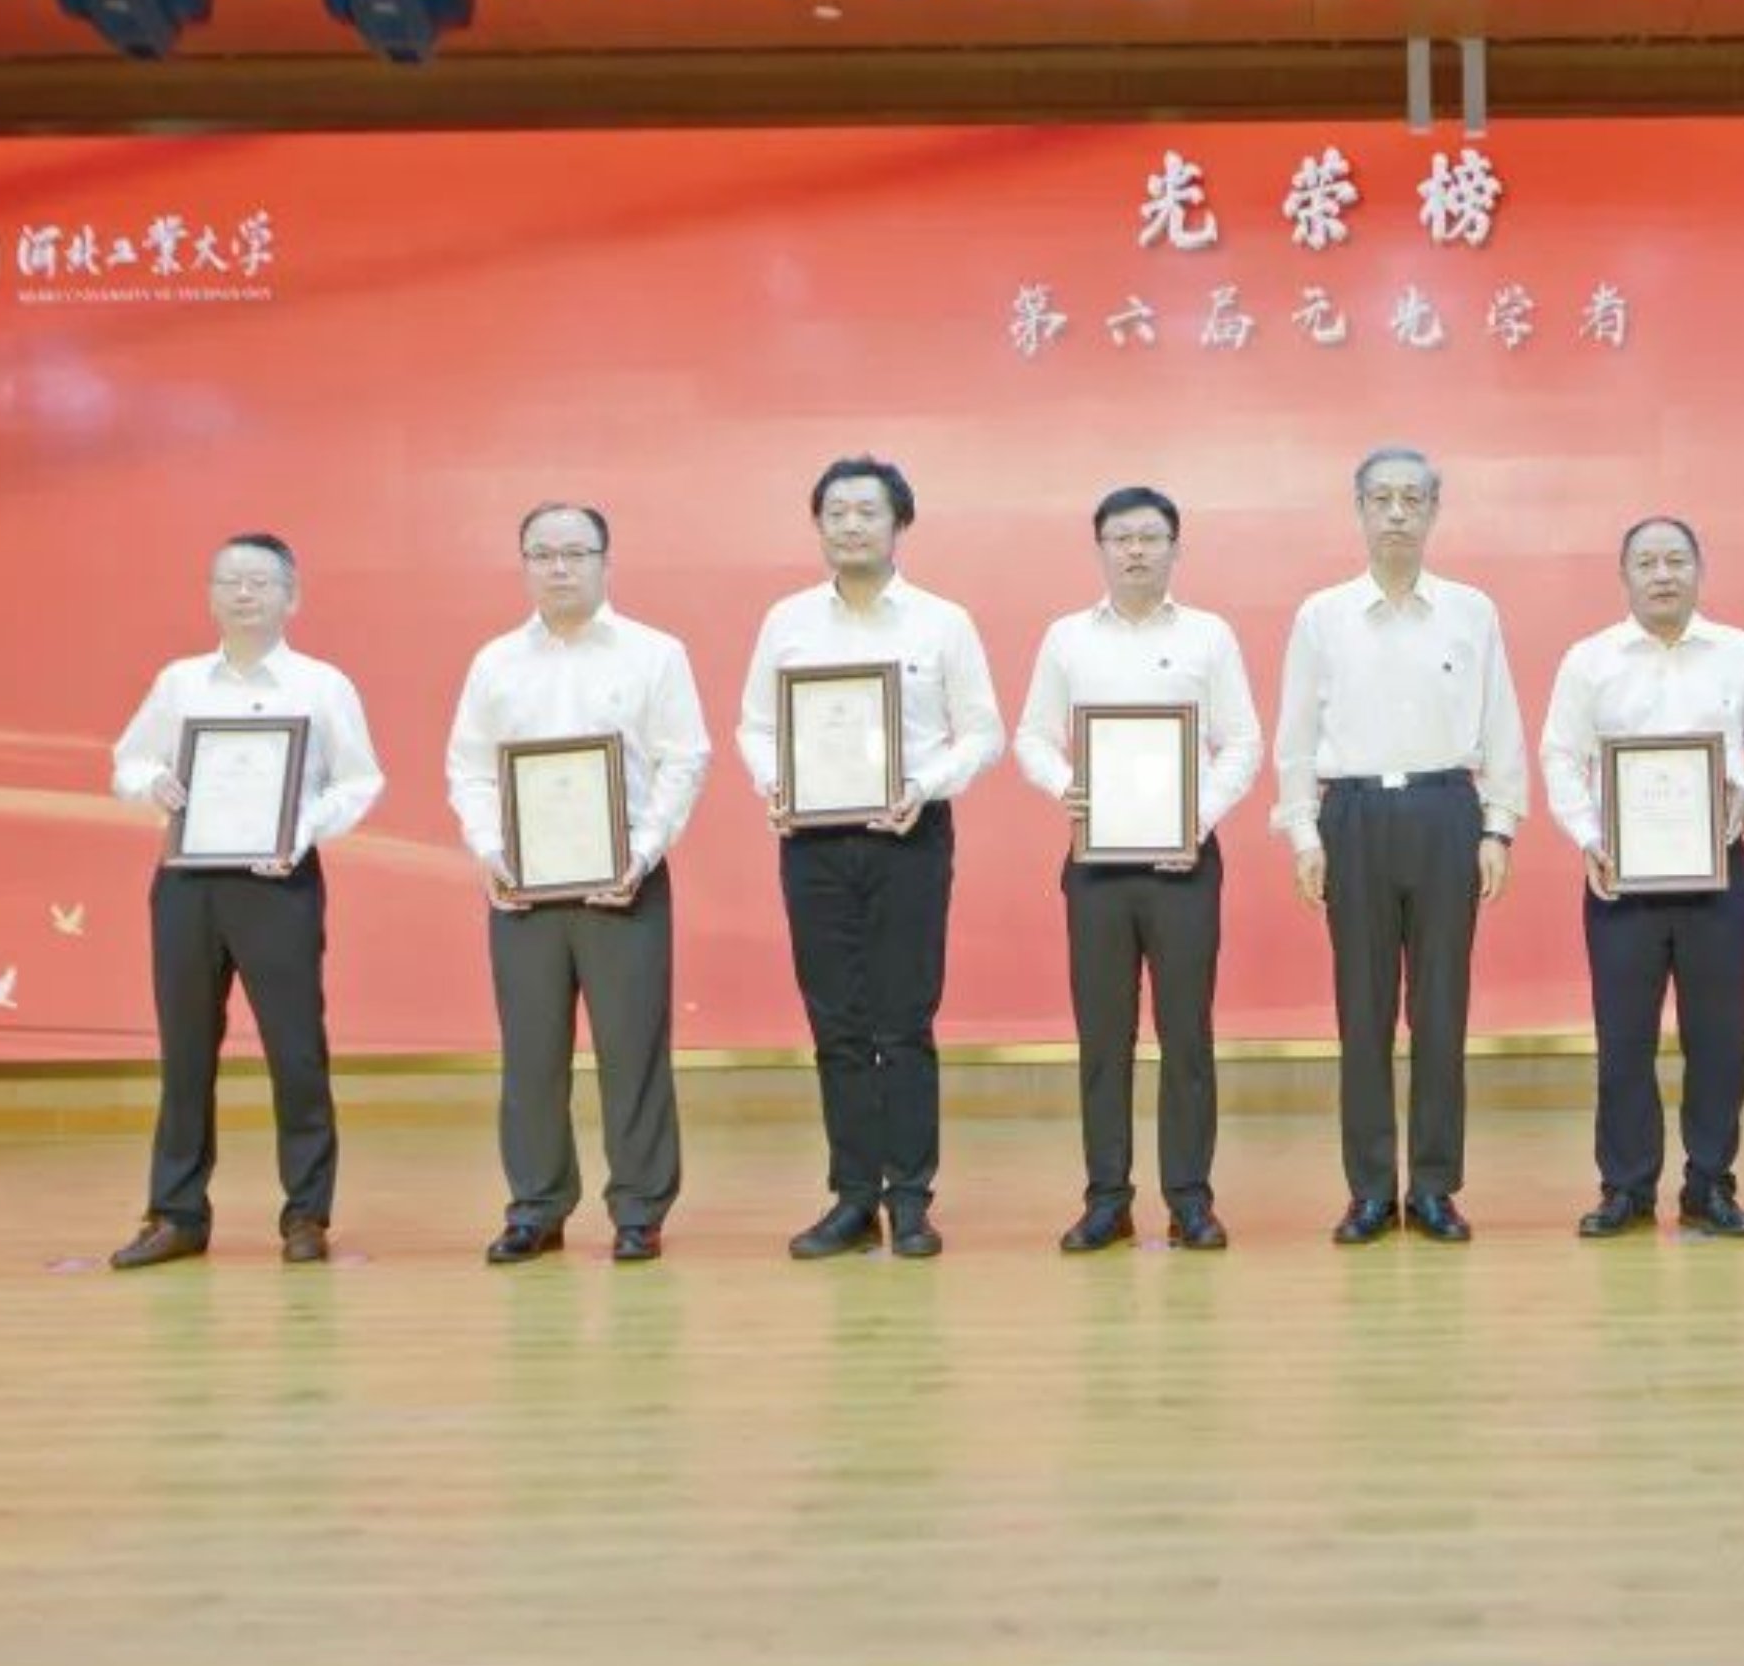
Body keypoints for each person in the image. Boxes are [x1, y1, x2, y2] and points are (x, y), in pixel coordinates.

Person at [739, 456, 1005, 1262]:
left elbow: (983, 731)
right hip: (813, 843)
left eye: (868, 511)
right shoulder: (787, 621)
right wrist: (777, 784)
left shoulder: (941, 621)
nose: (851, 525)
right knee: (837, 1024)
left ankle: (911, 1199)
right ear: (818, 525)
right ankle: (853, 1198)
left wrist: (924, 784)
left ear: (899, 524)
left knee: (905, 1022)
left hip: (908, 835)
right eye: (836, 512)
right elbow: (756, 725)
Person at [1271, 446, 1530, 1245]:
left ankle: (1435, 1186)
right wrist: (1302, 831)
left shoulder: (1471, 611)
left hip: (1446, 808)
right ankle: (1370, 1189)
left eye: (1411, 499)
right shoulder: (1321, 615)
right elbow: (1294, 734)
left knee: (1441, 1009)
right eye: (1380, 497)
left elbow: (1501, 722)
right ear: (1358, 509)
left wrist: (1498, 825)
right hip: (1351, 814)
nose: (1395, 512)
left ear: (1432, 511)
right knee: (1363, 1010)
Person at [106, 532, 384, 1270]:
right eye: (228, 579)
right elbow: (128, 762)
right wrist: (153, 783)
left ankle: (306, 1215)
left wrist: (302, 828)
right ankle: (175, 1213)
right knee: (185, 1050)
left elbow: (360, 781)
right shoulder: (179, 683)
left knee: (296, 1050)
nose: (243, 592)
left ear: (292, 597)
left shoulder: (322, 685)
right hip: (187, 882)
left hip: (278, 881)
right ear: (210, 595)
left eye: (260, 581)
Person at [447, 502, 710, 1265]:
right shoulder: (495, 662)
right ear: (524, 564)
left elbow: (684, 758)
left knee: (633, 1049)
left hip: (624, 880)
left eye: (575, 552)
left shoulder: (654, 653)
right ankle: (536, 1205)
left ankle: (639, 1207)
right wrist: (491, 850)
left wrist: (644, 851)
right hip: (522, 888)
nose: (558, 567)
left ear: (605, 560)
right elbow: (469, 767)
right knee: (530, 1053)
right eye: (542, 553)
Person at [1011, 486, 1264, 1253]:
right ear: (1100, 548)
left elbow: (1242, 742)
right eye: (1120, 537)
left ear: (1175, 548)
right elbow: (1031, 737)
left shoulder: (1208, 636)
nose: (1135, 549)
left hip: (1185, 862)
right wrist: (1068, 786)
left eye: (1150, 536)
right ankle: (1106, 1199)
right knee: (1103, 1037)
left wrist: (1197, 818)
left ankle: (1189, 1198)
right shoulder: (1066, 638)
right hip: (1095, 864)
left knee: (1186, 1034)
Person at [1538, 515, 1744, 1240]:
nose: (1662, 574)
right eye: (1647, 562)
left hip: (1718, 869)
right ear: (1623, 576)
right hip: (1620, 876)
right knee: (1623, 1039)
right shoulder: (1589, 659)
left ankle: (1709, 1184)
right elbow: (1559, 755)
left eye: (1676, 560)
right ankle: (1625, 1187)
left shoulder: (1739, 653)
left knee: (1721, 1037)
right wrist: (1589, 838)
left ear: (1698, 570)